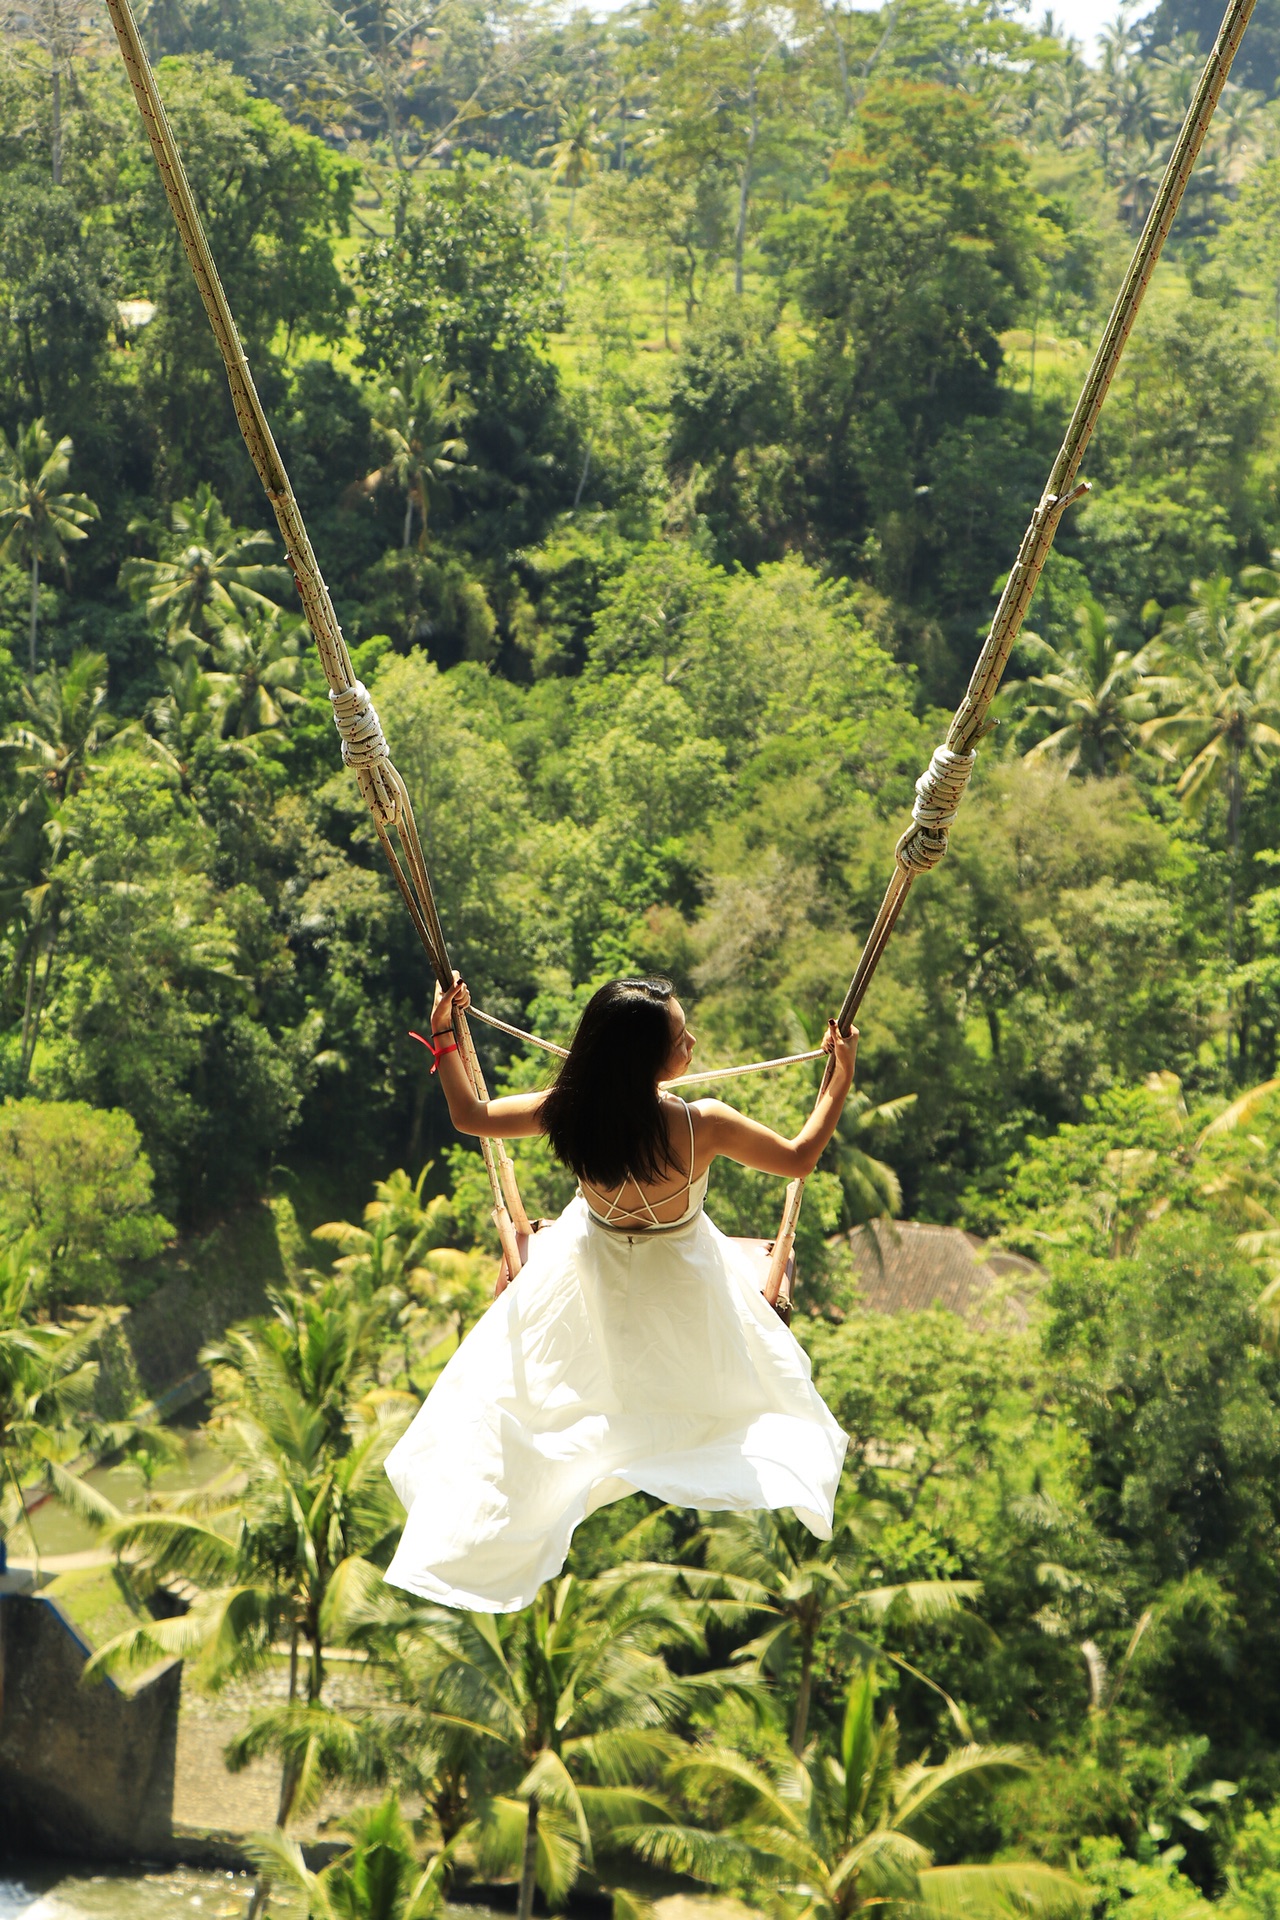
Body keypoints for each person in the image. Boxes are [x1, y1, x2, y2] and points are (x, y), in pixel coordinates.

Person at [385, 973, 857, 1612]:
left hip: (588, 1265)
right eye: (678, 1035)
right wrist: (840, 1076)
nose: (691, 1041)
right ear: (644, 1058)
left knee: (536, 1409)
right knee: (740, 1397)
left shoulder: (569, 1109)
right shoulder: (701, 1126)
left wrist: (444, 1035)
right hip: (683, 1273)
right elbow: (800, 1158)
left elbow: (470, 1116)